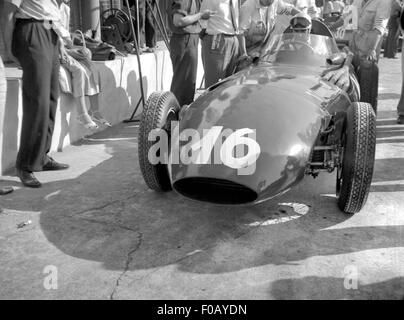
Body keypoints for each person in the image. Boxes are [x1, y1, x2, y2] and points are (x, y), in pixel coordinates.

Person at [1, 0, 69, 188]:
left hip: (50, 32)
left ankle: (42, 157)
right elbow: (7, 12)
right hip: (31, 31)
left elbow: (49, 14)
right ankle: (25, 164)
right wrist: (7, 49)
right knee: (37, 100)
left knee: (51, 98)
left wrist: (60, 42)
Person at [58, 0, 111, 129]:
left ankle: (94, 110)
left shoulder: (65, 8)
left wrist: (75, 49)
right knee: (79, 70)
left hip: (64, 47)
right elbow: (53, 38)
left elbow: (66, 36)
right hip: (54, 49)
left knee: (91, 65)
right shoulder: (48, 8)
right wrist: (69, 51)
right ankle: (82, 113)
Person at [168, 1, 215, 106]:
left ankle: (178, 120)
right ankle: (175, 121)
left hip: (188, 39)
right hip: (185, 39)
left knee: (187, 85)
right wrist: (201, 15)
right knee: (182, 86)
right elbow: (178, 21)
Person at [200, 0, 241, 87]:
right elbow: (202, 23)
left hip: (233, 39)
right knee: (214, 84)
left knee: (230, 83)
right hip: (217, 39)